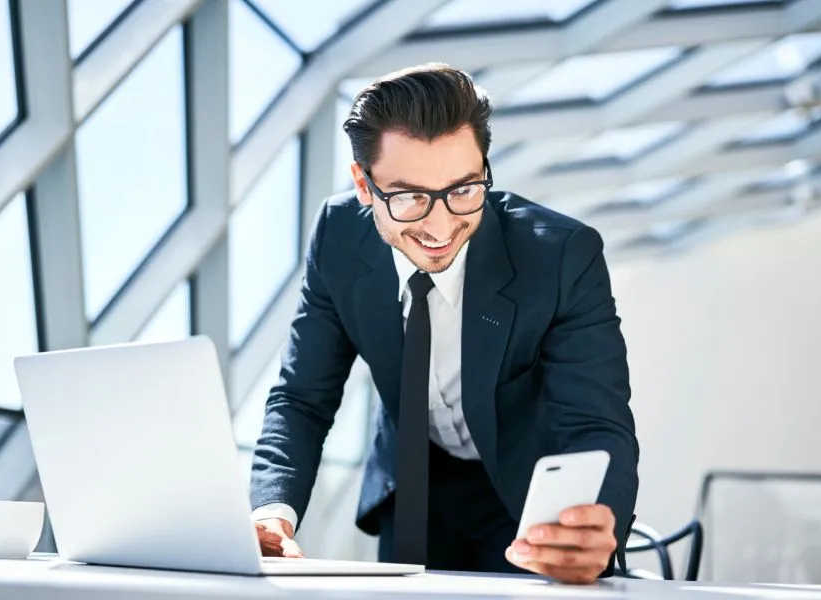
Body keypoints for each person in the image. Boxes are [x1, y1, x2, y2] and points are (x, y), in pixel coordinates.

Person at [250, 63, 639, 585]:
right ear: (364, 186)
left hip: (525, 494)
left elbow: (595, 422)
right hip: (413, 483)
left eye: (463, 189)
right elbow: (302, 397)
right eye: (409, 196)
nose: (440, 225)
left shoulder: (562, 256)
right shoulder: (338, 237)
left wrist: (599, 522)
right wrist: (272, 510)